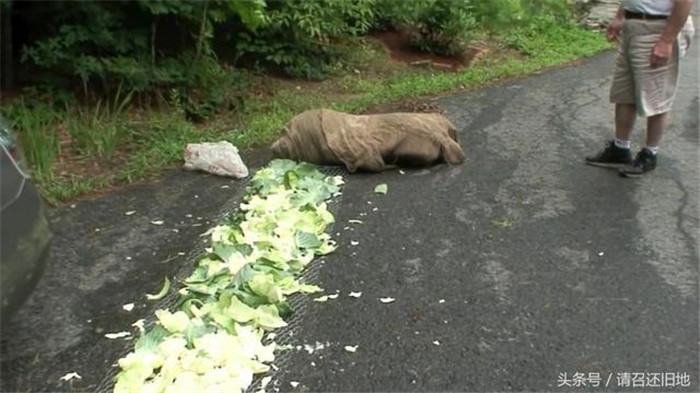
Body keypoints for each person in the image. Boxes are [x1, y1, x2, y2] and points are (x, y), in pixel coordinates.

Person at [585, 0, 694, 177]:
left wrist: (666, 40)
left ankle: (650, 153)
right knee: (625, 93)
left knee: (656, 97)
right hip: (633, 27)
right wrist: (621, 16)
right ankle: (620, 149)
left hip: (659, 28)